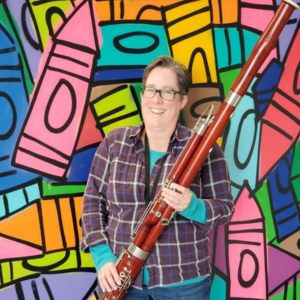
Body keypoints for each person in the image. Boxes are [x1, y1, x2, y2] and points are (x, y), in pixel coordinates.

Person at [80, 55, 234, 300]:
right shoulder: (114, 143)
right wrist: (102, 257)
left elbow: (225, 208)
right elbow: (91, 203)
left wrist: (192, 206)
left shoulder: (205, 149)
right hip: (120, 277)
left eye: (167, 92)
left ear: (183, 99)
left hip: (185, 284)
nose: (157, 99)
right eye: (150, 90)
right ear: (142, 95)